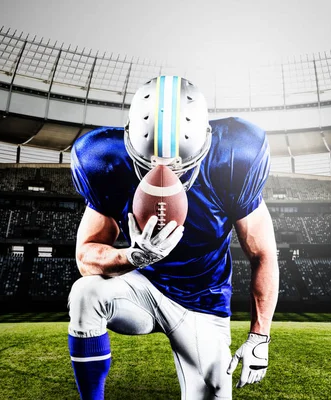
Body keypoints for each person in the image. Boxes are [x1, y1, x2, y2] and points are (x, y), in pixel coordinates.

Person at [67, 75, 279, 400]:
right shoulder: (104, 159)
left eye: (178, 167)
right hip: (143, 288)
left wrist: (259, 338)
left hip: (202, 302)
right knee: (86, 293)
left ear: (206, 142)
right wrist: (132, 257)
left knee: (214, 392)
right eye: (148, 163)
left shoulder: (234, 155)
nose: (164, 175)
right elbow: (86, 257)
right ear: (128, 141)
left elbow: (263, 254)